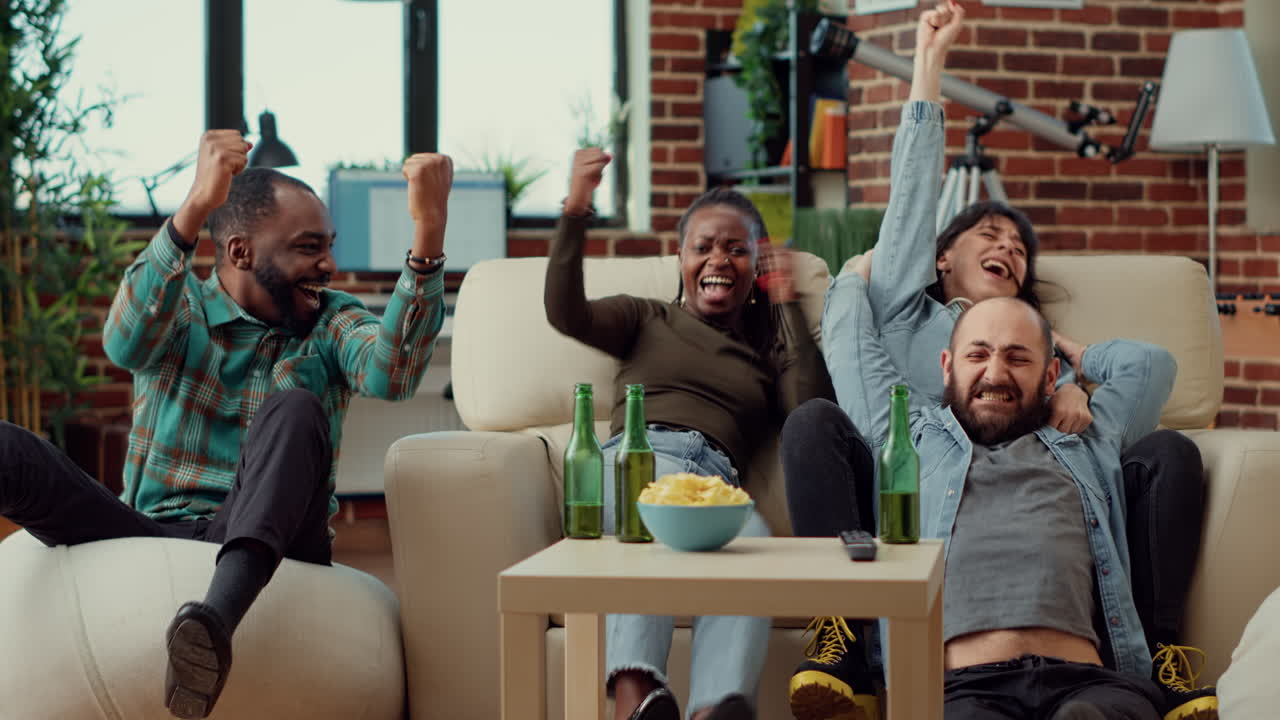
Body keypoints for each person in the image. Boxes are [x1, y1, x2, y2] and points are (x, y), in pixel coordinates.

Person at [782, 4, 1212, 720]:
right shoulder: (903, 347)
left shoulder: (1070, 412)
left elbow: (1150, 369)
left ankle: (1157, 653)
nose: (1009, 247)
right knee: (814, 423)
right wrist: (852, 283)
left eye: (1019, 247)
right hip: (926, 482)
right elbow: (913, 202)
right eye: (990, 233)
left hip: (1083, 668)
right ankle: (848, 636)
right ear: (940, 260)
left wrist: (1071, 368)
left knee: (1174, 448)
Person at [0, 130, 453, 719]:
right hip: (148, 529)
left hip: (283, 542)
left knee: (294, 408)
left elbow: (391, 374)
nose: (329, 264)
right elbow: (122, 339)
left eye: (329, 245)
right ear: (240, 253)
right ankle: (207, 623)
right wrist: (193, 207)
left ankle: (213, 622)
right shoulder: (178, 306)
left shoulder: (332, 319)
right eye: (308, 247)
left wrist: (429, 235)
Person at [545, 147, 833, 720]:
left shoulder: (766, 352)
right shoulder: (647, 318)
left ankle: (714, 710)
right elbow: (566, 312)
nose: (717, 259)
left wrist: (787, 302)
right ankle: (636, 696)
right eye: (702, 247)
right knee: (648, 506)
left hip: (717, 487)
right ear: (680, 258)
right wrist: (576, 209)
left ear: (757, 266)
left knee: (753, 543)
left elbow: (811, 406)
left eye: (736, 249)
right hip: (633, 460)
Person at [814, 281, 1174, 718]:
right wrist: (855, 273)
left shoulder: (1084, 434)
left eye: (1018, 357)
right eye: (977, 354)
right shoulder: (911, 436)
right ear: (947, 367)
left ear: (1047, 375)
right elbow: (848, 343)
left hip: (1088, 684)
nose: (996, 373)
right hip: (963, 690)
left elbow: (1152, 365)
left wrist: (1076, 360)